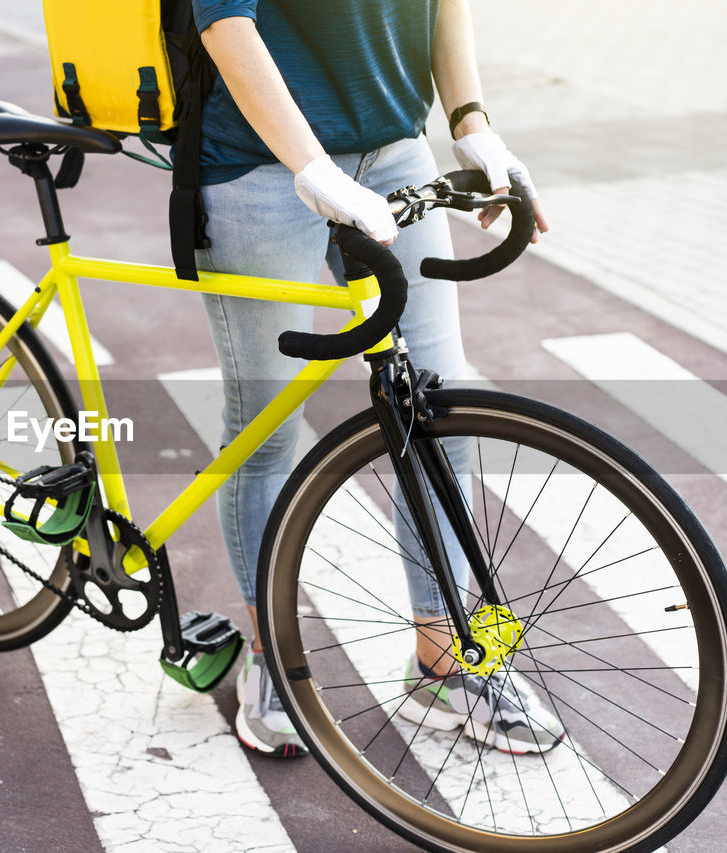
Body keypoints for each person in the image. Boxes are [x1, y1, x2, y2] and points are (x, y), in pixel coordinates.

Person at [189, 0, 564, 758]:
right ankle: (273, 657)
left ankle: (441, 660)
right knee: (264, 425)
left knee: (436, 405)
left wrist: (470, 123)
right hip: (261, 164)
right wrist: (311, 167)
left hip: (394, 151)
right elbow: (223, 19)